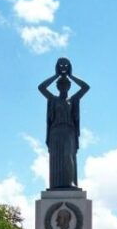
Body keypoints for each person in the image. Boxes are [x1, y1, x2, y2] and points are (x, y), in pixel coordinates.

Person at [38, 58, 90, 189]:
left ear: (69, 86)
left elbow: (85, 87)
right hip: (55, 132)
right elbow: (41, 87)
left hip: (69, 131)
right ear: (57, 87)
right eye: (60, 85)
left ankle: (70, 182)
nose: (63, 87)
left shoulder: (73, 99)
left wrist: (70, 75)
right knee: (56, 158)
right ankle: (56, 184)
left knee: (68, 155)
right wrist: (56, 74)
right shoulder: (53, 99)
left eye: (66, 85)